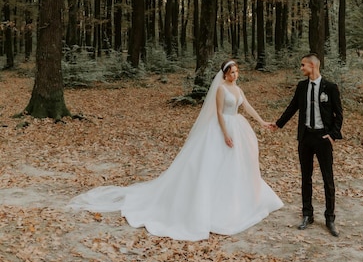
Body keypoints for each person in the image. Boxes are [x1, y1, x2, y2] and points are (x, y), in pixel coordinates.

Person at [68, 60, 283, 241]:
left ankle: (238, 203)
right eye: (230, 72)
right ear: (224, 74)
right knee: (212, 165)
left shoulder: (238, 89)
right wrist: (225, 133)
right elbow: (218, 113)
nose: (234, 75)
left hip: (238, 126)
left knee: (237, 167)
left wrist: (262, 121)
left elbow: (247, 107)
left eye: (236, 72)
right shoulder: (220, 89)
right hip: (223, 129)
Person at [273, 53, 343, 237]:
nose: (301, 68)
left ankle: (330, 218)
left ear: (312, 66)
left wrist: (333, 135)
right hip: (305, 138)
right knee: (306, 177)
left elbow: (339, 114)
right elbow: (292, 107)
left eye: (303, 65)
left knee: (328, 178)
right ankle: (307, 214)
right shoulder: (302, 86)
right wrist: (278, 124)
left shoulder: (330, 87)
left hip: (323, 138)